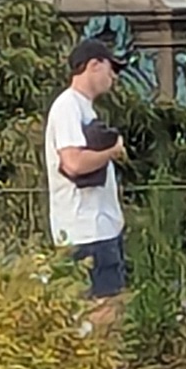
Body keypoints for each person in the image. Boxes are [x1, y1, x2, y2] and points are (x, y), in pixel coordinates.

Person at [47, 39, 131, 322]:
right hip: (87, 232)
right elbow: (72, 163)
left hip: (98, 229)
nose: (114, 76)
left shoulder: (82, 108)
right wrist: (113, 152)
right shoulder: (67, 107)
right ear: (94, 64)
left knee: (105, 312)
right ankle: (104, 367)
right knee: (104, 315)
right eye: (111, 68)